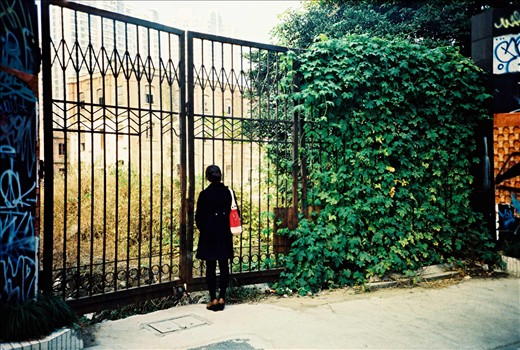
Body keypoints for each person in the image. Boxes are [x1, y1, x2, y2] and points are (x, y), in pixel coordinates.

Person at [195, 165, 237, 311]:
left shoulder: (204, 194)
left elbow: (198, 217)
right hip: (224, 231)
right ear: (220, 176)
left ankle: (213, 299)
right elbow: (235, 211)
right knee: (224, 265)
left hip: (209, 233)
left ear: (207, 177)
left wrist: (205, 229)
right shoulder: (228, 193)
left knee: (210, 266)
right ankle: (222, 297)